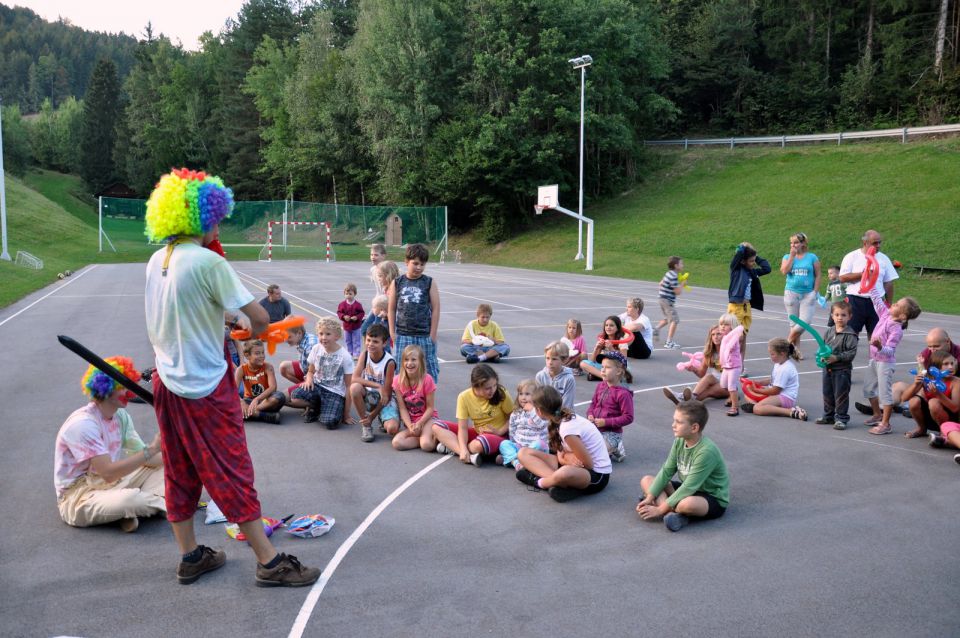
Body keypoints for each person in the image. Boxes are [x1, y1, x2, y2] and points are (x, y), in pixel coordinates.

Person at [143, 168, 318, 586]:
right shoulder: (207, 261)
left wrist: (221, 321)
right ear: (201, 217)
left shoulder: (156, 259)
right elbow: (258, 319)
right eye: (216, 218)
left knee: (179, 469)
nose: (218, 225)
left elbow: (179, 312)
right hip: (204, 385)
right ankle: (270, 562)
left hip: (167, 382)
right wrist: (254, 331)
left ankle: (190, 556)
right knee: (233, 469)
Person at [55, 357, 165, 533]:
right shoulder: (83, 425)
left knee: (173, 469)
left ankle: (125, 513)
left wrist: (181, 457)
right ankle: (142, 506)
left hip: (115, 484)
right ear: (105, 390)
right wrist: (152, 449)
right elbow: (108, 473)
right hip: (79, 496)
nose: (129, 392)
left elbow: (146, 459)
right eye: (122, 387)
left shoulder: (120, 416)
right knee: (130, 500)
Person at [637, 399, 729, 532]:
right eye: (674, 420)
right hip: (689, 490)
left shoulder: (706, 451)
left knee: (686, 504)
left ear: (694, 428)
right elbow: (667, 471)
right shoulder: (679, 441)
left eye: (679, 422)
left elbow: (689, 487)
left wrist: (658, 509)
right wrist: (651, 496)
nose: (673, 425)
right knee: (647, 480)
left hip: (711, 497)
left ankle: (672, 509)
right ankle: (671, 514)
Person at [515, 386, 612, 503]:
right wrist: (565, 458)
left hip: (596, 475)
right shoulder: (559, 418)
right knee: (523, 453)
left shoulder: (567, 428)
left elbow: (589, 464)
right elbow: (560, 454)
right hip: (573, 466)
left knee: (564, 473)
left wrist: (565, 460)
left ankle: (540, 482)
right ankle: (559, 484)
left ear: (539, 410)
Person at [862, 284, 921, 435]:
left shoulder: (896, 329)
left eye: (897, 305)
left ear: (902, 316)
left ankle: (886, 424)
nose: (893, 304)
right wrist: (870, 281)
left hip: (885, 363)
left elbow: (889, 351)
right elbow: (876, 299)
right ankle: (877, 414)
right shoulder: (885, 314)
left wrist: (880, 346)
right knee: (868, 389)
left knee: (884, 394)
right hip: (874, 360)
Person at [432, 363, 513, 466]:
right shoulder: (464, 397)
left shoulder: (501, 393)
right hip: (478, 433)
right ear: (476, 386)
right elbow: (463, 428)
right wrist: (463, 448)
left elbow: (514, 417)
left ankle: (453, 448)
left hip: (499, 436)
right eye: (488, 388)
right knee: (436, 426)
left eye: (494, 385)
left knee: (479, 444)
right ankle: (464, 453)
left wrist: (499, 431)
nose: (492, 390)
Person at [875, 328, 960, 415]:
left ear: (948, 341)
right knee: (898, 386)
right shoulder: (927, 354)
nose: (933, 350)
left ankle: (907, 407)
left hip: (953, 392)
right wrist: (920, 369)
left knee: (923, 394)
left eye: (936, 346)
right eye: (930, 346)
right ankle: (880, 407)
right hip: (933, 387)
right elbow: (922, 375)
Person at [388, 243, 441, 382]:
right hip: (403, 334)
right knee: (402, 371)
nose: (419, 267)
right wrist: (392, 333)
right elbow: (391, 308)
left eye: (422, 264)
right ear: (406, 262)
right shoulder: (397, 282)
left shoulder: (429, 282)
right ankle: (403, 401)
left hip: (424, 335)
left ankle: (427, 401)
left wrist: (433, 335)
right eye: (415, 263)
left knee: (428, 370)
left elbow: (436, 309)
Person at [295, 316, 355, 429]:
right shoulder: (316, 348)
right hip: (318, 386)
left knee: (330, 422)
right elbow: (311, 371)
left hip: (334, 392)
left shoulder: (345, 356)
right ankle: (315, 406)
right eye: (321, 334)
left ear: (337, 336)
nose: (324, 337)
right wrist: (308, 380)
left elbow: (348, 387)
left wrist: (346, 415)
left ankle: (334, 407)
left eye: (328, 334)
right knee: (295, 396)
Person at [838, 230, 899, 339]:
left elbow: (888, 282)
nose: (878, 246)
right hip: (856, 300)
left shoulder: (883, 258)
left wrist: (888, 304)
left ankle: (876, 355)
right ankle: (848, 354)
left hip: (877, 302)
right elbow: (842, 277)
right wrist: (863, 274)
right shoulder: (852, 256)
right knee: (851, 334)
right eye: (875, 243)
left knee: (876, 335)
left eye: (879, 242)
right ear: (865, 243)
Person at [349, 324, 399, 443]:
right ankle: (366, 425)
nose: (370, 344)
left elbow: (386, 396)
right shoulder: (365, 354)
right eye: (368, 340)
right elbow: (354, 378)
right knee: (354, 388)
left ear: (384, 343)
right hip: (371, 395)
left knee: (392, 429)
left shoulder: (389, 362)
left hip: (385, 399)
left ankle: (382, 418)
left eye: (375, 341)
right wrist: (377, 386)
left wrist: (372, 416)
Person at [814, 301, 859, 430]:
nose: (840, 317)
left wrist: (836, 358)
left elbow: (851, 354)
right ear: (832, 316)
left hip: (842, 371)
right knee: (827, 393)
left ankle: (841, 418)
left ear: (849, 316)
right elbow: (823, 348)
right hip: (827, 369)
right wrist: (821, 356)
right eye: (837, 314)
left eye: (843, 315)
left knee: (841, 394)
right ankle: (828, 415)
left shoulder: (851, 335)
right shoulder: (829, 332)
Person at [740, 338, 807, 420]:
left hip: (785, 398)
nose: (770, 357)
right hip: (776, 394)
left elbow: (775, 390)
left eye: (772, 354)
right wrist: (758, 383)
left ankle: (790, 411)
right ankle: (764, 407)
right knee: (748, 394)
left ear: (782, 354)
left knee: (758, 409)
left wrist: (757, 390)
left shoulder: (785, 369)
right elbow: (772, 380)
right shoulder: (779, 363)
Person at [586, 351, 634, 463]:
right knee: (581, 446)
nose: (602, 370)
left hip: (611, 433)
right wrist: (590, 414)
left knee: (595, 456)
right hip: (595, 428)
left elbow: (628, 417)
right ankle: (610, 450)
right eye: (602, 367)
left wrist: (606, 422)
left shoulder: (623, 394)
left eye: (607, 367)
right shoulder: (600, 386)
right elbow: (593, 403)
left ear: (618, 371)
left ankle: (616, 447)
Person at [727, 242, 771, 363]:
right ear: (742, 261)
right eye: (751, 261)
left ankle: (740, 365)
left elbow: (767, 269)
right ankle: (730, 361)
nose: (753, 263)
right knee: (737, 337)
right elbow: (738, 256)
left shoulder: (752, 272)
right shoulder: (736, 270)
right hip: (736, 307)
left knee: (743, 337)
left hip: (747, 308)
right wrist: (743, 247)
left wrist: (755, 256)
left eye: (754, 261)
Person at [391, 345, 440, 452]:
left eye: (414, 359)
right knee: (397, 443)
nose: (409, 363)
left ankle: (439, 440)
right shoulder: (397, 381)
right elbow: (402, 408)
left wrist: (420, 423)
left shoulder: (427, 379)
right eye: (406, 360)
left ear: (420, 362)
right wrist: (410, 427)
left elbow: (430, 408)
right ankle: (423, 437)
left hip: (427, 419)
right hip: (412, 422)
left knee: (426, 445)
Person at [780, 232, 821, 360]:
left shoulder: (812, 257)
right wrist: (792, 257)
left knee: (805, 321)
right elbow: (784, 271)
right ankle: (796, 351)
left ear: (803, 243)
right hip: (791, 293)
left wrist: (815, 291)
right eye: (791, 243)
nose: (793, 245)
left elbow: (818, 274)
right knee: (793, 324)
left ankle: (786, 345)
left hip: (807, 294)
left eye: (796, 242)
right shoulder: (787, 256)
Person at [902, 350, 959, 440]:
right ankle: (921, 428)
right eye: (946, 364)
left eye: (952, 363)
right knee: (914, 401)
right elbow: (904, 398)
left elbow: (955, 408)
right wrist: (916, 384)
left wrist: (938, 394)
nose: (951, 367)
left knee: (933, 402)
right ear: (936, 367)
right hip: (932, 417)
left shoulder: (956, 382)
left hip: (951, 421)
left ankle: (944, 433)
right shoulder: (928, 379)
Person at [663, 325, 727, 404]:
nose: (715, 337)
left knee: (708, 391)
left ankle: (682, 398)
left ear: (724, 335)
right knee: (708, 376)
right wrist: (694, 369)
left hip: (728, 385)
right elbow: (701, 374)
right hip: (715, 381)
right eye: (713, 334)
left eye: (718, 334)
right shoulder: (709, 352)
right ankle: (685, 399)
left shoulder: (729, 350)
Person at [498, 379, 550, 468]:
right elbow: (512, 430)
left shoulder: (540, 412)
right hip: (520, 446)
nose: (523, 397)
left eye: (527, 394)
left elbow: (542, 425)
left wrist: (532, 410)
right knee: (504, 444)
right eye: (520, 394)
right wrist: (514, 443)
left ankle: (512, 459)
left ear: (537, 397)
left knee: (540, 444)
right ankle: (516, 462)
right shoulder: (516, 413)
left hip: (535, 448)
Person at [235, 340, 285, 424]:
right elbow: (233, 391)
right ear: (247, 356)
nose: (262, 356)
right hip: (248, 400)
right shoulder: (241, 369)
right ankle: (264, 416)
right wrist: (242, 402)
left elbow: (273, 387)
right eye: (257, 353)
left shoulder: (268, 367)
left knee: (279, 397)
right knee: (229, 405)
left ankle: (250, 412)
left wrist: (257, 399)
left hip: (266, 400)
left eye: (262, 352)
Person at [580, 315, 634, 382]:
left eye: (611, 325)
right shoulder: (603, 340)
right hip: (605, 367)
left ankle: (597, 375)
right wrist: (597, 348)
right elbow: (593, 361)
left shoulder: (622, 342)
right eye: (606, 325)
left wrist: (611, 349)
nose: (608, 327)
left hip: (617, 367)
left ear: (617, 328)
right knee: (583, 363)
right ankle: (604, 377)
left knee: (619, 370)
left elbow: (623, 362)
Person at [278, 321, 318, 395]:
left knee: (281, 397)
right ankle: (305, 389)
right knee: (283, 367)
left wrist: (309, 380)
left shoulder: (310, 346)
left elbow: (316, 371)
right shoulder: (303, 338)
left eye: (289, 337)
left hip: (316, 378)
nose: (285, 340)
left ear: (299, 333)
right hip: (307, 371)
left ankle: (311, 392)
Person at [535, 341, 576, 409]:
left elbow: (567, 404)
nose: (550, 362)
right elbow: (539, 400)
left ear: (564, 360)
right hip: (545, 413)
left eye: (554, 359)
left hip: (563, 415)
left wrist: (555, 416)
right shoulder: (540, 376)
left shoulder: (569, 379)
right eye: (547, 358)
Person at [718, 313, 744, 416]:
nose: (723, 326)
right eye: (721, 324)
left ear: (732, 327)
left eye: (726, 324)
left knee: (731, 387)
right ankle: (734, 395)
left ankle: (735, 408)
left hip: (734, 366)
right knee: (723, 385)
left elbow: (730, 347)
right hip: (726, 366)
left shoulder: (734, 338)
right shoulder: (725, 337)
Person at [655, 256, 684, 349]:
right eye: (681, 264)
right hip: (667, 300)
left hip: (662, 298)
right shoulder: (674, 276)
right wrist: (682, 284)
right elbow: (677, 292)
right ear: (676, 266)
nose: (683, 265)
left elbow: (660, 283)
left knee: (668, 318)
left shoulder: (668, 273)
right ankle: (669, 342)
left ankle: (656, 329)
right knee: (674, 320)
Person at [337, 283, 365, 359]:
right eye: (346, 294)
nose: (348, 295)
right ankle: (349, 352)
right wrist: (343, 316)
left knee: (356, 340)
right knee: (348, 340)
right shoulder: (342, 304)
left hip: (356, 326)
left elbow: (362, 313)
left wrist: (357, 317)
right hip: (346, 327)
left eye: (350, 294)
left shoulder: (358, 304)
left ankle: (356, 353)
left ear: (354, 294)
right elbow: (339, 312)